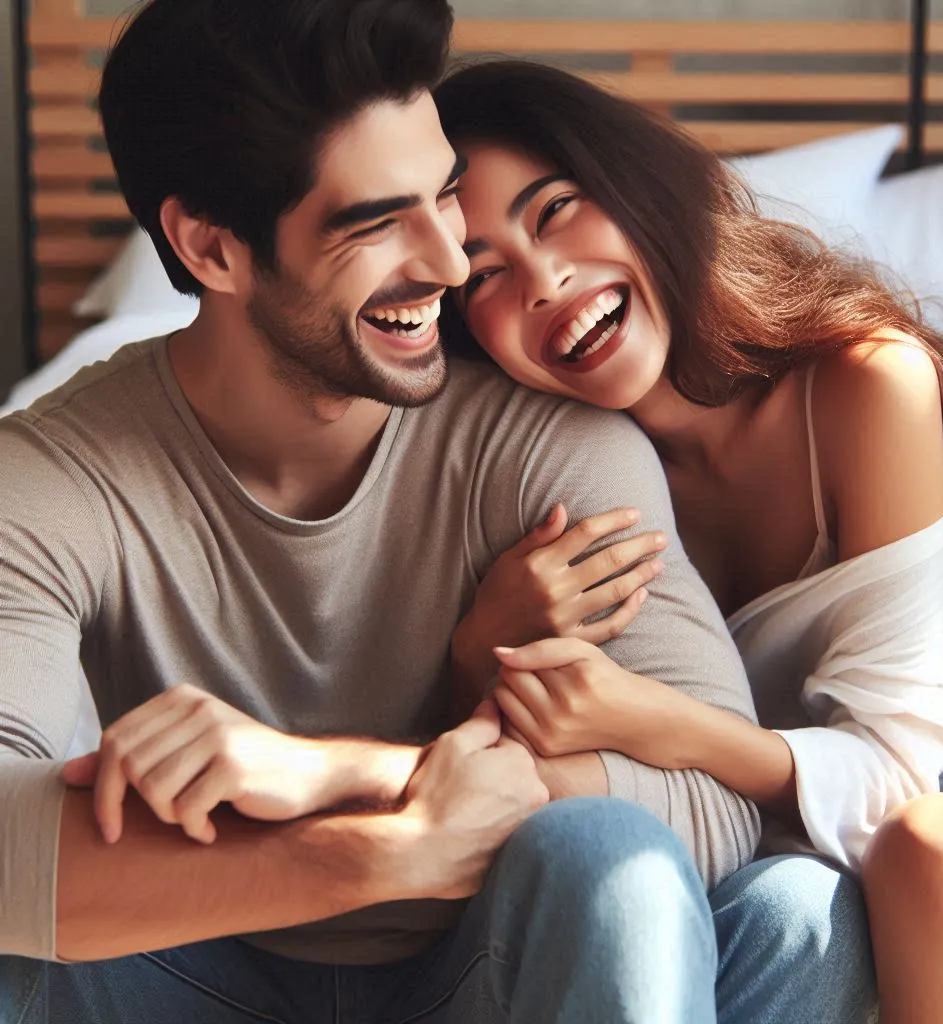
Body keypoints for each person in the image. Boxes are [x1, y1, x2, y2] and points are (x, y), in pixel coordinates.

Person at [0, 2, 883, 1022]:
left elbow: (718, 803)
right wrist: (369, 854)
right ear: (211, 248)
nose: (452, 262)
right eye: (378, 222)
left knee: (766, 901)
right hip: (186, 968)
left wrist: (340, 776)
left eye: (445, 196)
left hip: (492, 970)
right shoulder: (51, 475)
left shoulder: (546, 449)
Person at [433, 59, 943, 1024]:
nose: (544, 282)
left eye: (556, 211)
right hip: (759, 845)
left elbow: (901, 781)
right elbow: (496, 777)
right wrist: (476, 650)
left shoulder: (864, 387)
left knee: (933, 847)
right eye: (486, 274)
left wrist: (654, 722)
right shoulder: (545, 470)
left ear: (634, 188)